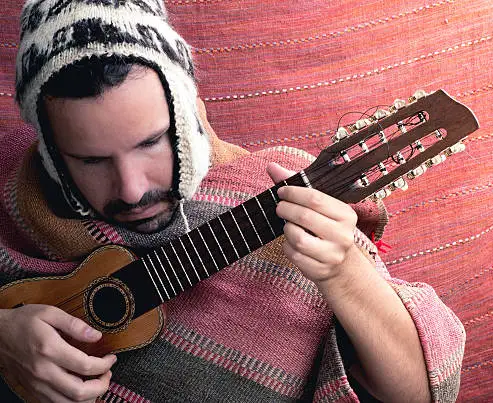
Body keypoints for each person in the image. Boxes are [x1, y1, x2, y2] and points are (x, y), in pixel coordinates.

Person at [0, 1, 466, 402]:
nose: (131, 189)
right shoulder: (15, 189)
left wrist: (344, 273)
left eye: (152, 143)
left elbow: (423, 393)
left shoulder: (279, 193)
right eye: (91, 160)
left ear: (187, 113)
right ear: (50, 152)